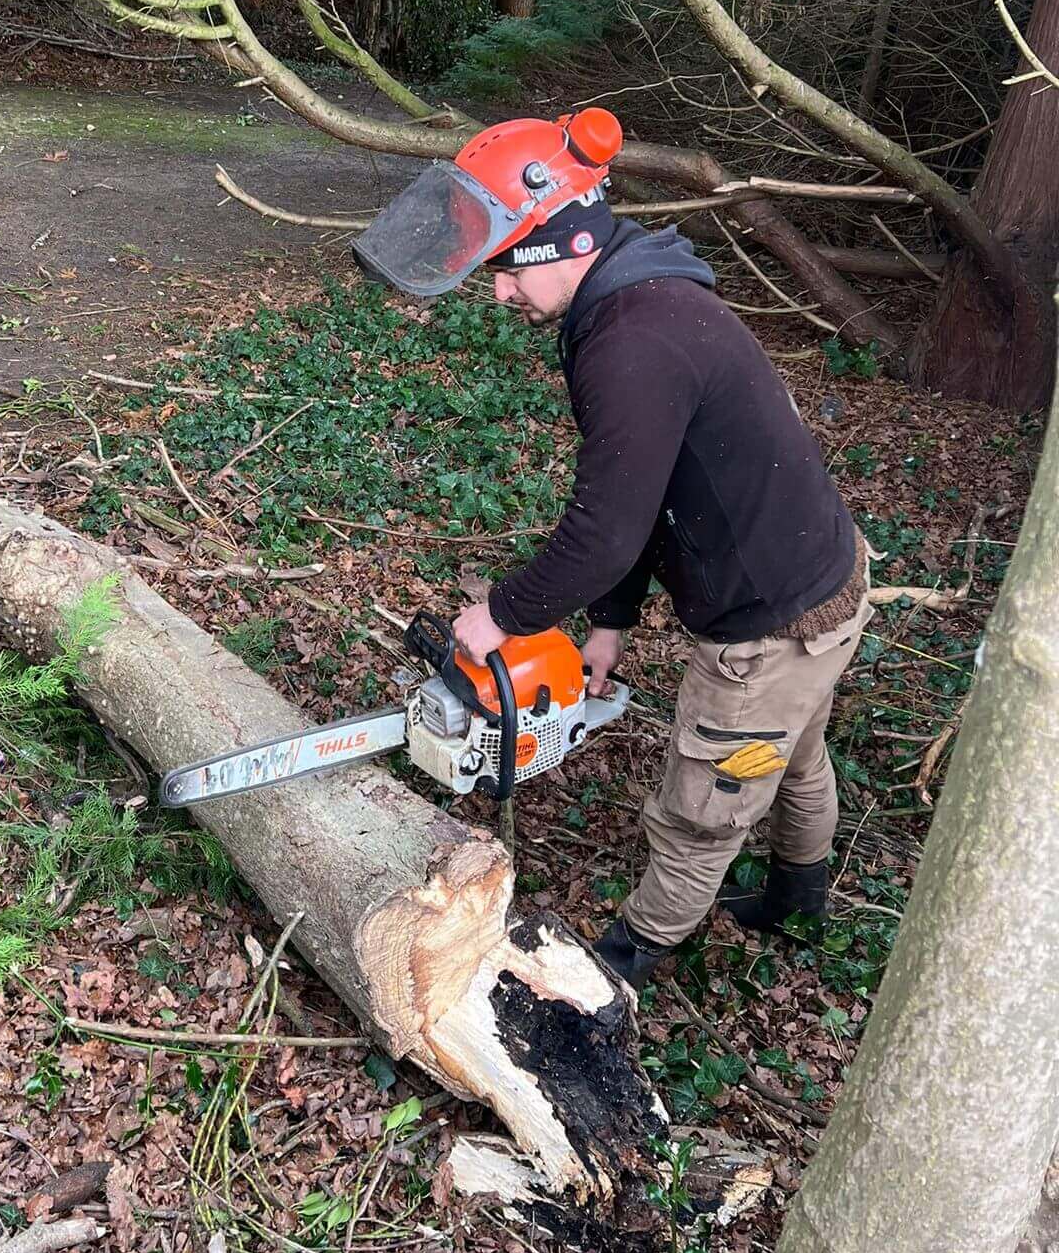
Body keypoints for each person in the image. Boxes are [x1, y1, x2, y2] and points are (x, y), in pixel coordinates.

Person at [350, 109, 870, 988]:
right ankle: (799, 895)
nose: (502, 292)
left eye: (509, 268)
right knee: (798, 752)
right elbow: (644, 491)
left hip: (771, 626)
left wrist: (503, 616)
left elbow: (603, 533)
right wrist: (612, 623)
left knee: (702, 804)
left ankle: (634, 957)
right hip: (825, 574)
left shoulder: (631, 342)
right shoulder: (634, 299)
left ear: (565, 237)